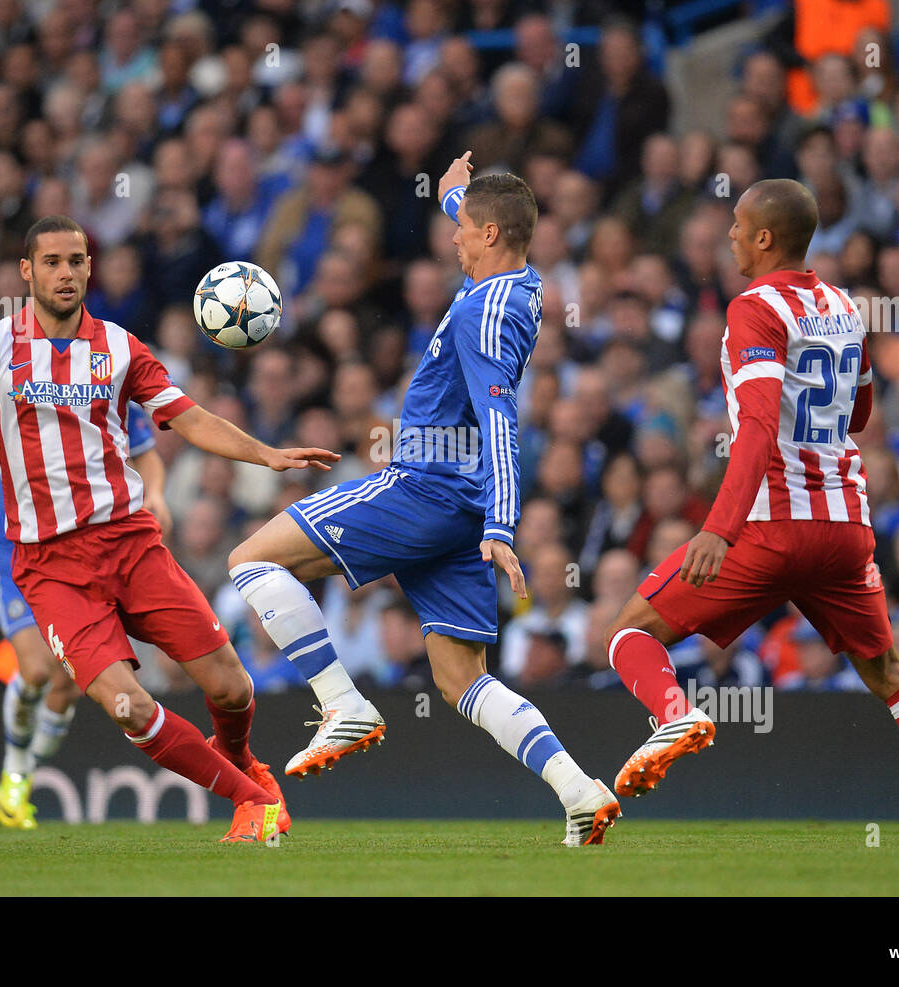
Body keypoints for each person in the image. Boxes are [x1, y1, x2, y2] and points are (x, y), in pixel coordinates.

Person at [0, 215, 341, 844]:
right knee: (130, 706)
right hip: (50, 567)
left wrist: (268, 455)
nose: (65, 273)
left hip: (130, 544)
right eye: (52, 262)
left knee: (232, 689)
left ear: (88, 268)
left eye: (76, 260)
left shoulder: (121, 348)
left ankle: (240, 759)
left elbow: (188, 417)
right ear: (26, 271)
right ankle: (251, 799)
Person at [603, 179, 899, 845]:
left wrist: (719, 526)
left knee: (630, 631)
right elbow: (859, 413)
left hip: (771, 525)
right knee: (888, 672)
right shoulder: (844, 307)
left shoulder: (752, 310)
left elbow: (760, 426)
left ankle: (674, 713)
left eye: (738, 225)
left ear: (765, 238)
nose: (730, 234)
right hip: (847, 529)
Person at [227, 154, 621, 846]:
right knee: (459, 679)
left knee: (253, 561)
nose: (454, 237)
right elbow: (485, 226)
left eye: (464, 228)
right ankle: (578, 790)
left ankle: (343, 702)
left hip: (428, 485)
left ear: (493, 235)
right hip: (456, 504)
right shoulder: (518, 286)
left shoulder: (484, 313)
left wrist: (503, 522)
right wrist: (453, 197)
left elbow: (502, 416)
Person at [0, 397, 168, 829]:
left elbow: (147, 449)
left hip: (82, 551)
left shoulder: (104, 374)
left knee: (65, 681)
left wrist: (154, 494)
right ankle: (16, 775)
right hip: (15, 550)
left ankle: (18, 779)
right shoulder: (4, 378)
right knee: (38, 670)